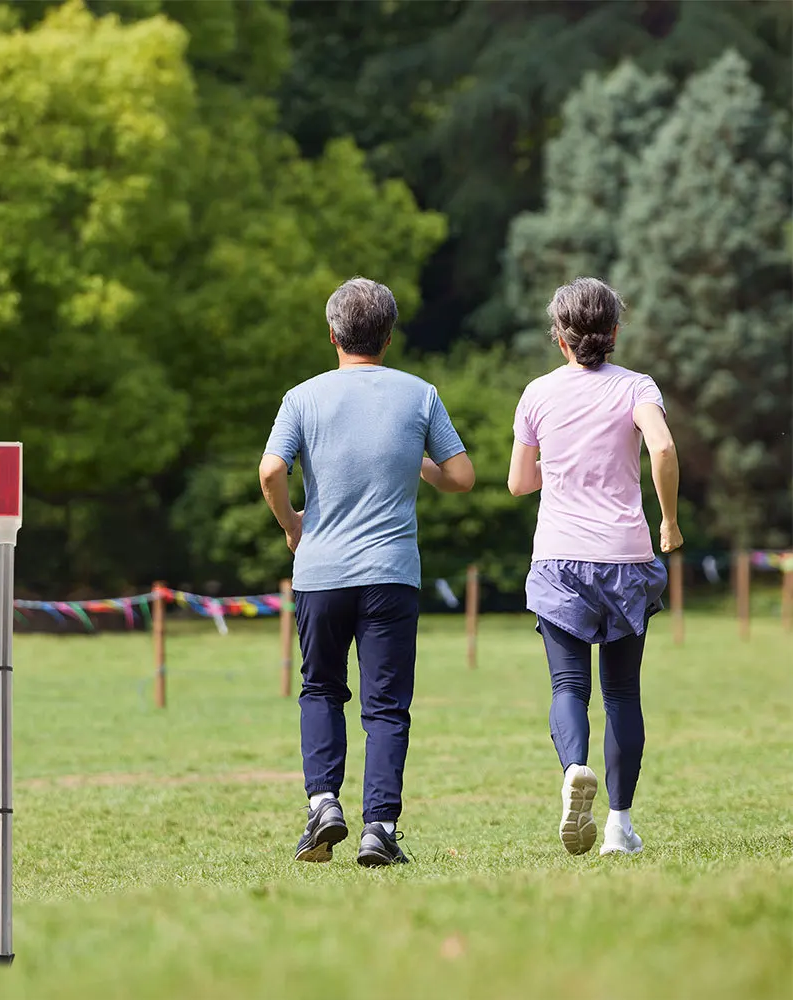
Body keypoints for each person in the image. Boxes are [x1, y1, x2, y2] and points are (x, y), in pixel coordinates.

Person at [259, 277, 475, 866]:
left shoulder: (301, 398)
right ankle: (379, 828)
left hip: (321, 572)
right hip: (392, 574)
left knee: (321, 688)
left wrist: (292, 526)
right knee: (385, 705)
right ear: (389, 335)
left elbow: (271, 470)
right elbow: (462, 477)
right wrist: (421, 463)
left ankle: (323, 803)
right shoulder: (419, 395)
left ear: (332, 335)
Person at [507, 276, 682, 857]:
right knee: (623, 694)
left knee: (567, 686)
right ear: (613, 333)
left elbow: (519, 483)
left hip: (558, 558)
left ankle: (573, 771)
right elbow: (660, 447)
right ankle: (618, 826)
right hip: (625, 556)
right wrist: (670, 522)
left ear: (560, 337)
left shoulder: (537, 395)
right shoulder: (638, 387)